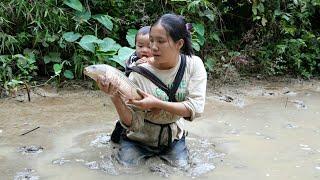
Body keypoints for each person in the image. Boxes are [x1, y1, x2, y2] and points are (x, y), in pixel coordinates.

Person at [97, 13, 207, 167]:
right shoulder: (138, 73)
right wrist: (114, 96)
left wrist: (158, 103)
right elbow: (133, 123)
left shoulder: (193, 65)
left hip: (172, 139)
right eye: (151, 40)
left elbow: (195, 108)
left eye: (161, 41)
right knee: (126, 171)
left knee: (183, 170)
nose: (153, 47)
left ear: (179, 43)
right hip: (137, 140)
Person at [111, 26, 152, 143]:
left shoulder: (159, 59)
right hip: (131, 95)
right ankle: (114, 141)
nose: (144, 50)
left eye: (149, 47)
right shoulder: (133, 58)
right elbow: (127, 71)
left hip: (149, 96)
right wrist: (137, 65)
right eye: (140, 46)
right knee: (124, 121)